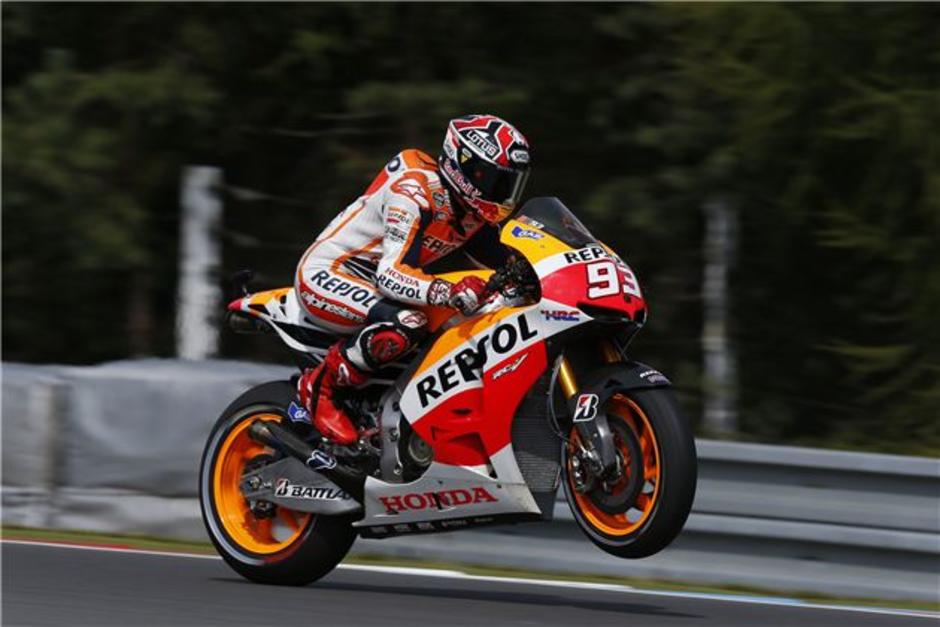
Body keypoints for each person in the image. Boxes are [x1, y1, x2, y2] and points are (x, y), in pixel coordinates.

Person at [293, 114, 531, 445]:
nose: (503, 194)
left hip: (375, 282)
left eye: (511, 184)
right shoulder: (415, 191)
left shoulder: (470, 213)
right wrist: (448, 290)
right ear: (467, 169)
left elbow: (513, 260)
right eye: (497, 181)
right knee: (408, 322)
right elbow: (390, 275)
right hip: (330, 271)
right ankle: (320, 388)